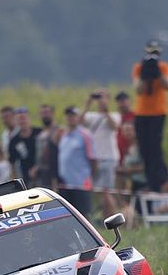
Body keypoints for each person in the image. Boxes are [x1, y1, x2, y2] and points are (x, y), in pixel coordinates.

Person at [131, 40, 168, 193]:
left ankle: (159, 179)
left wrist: (157, 73)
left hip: (158, 112)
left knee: (155, 147)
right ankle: (150, 180)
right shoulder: (138, 68)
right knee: (144, 149)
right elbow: (138, 90)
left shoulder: (163, 67)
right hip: (141, 113)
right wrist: (144, 74)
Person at [80, 90, 121, 219]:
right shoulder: (91, 116)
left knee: (107, 191)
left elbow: (114, 127)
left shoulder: (114, 115)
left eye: (103, 97)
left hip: (109, 158)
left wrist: (106, 110)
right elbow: (79, 123)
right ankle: (106, 217)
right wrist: (87, 104)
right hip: (94, 160)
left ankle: (113, 217)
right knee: (98, 191)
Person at [57, 105, 96, 218]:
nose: (70, 118)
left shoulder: (85, 135)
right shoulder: (63, 135)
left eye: (73, 116)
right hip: (65, 184)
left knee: (83, 216)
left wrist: (88, 176)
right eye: (68, 116)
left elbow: (93, 160)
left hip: (80, 184)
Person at [7, 106, 41, 185]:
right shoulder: (14, 141)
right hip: (26, 179)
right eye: (19, 119)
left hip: (43, 176)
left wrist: (37, 167)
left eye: (24, 118)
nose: (22, 121)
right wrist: (14, 182)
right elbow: (12, 163)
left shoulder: (39, 133)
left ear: (29, 118)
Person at [35, 103, 59, 188]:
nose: (45, 115)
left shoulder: (58, 131)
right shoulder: (40, 134)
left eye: (47, 112)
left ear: (52, 113)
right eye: (42, 113)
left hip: (56, 174)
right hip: (42, 175)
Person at [115, 91, 136, 164]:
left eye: (124, 101)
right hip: (118, 154)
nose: (122, 104)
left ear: (129, 101)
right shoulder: (116, 117)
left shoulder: (136, 116)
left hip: (132, 154)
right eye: (119, 102)